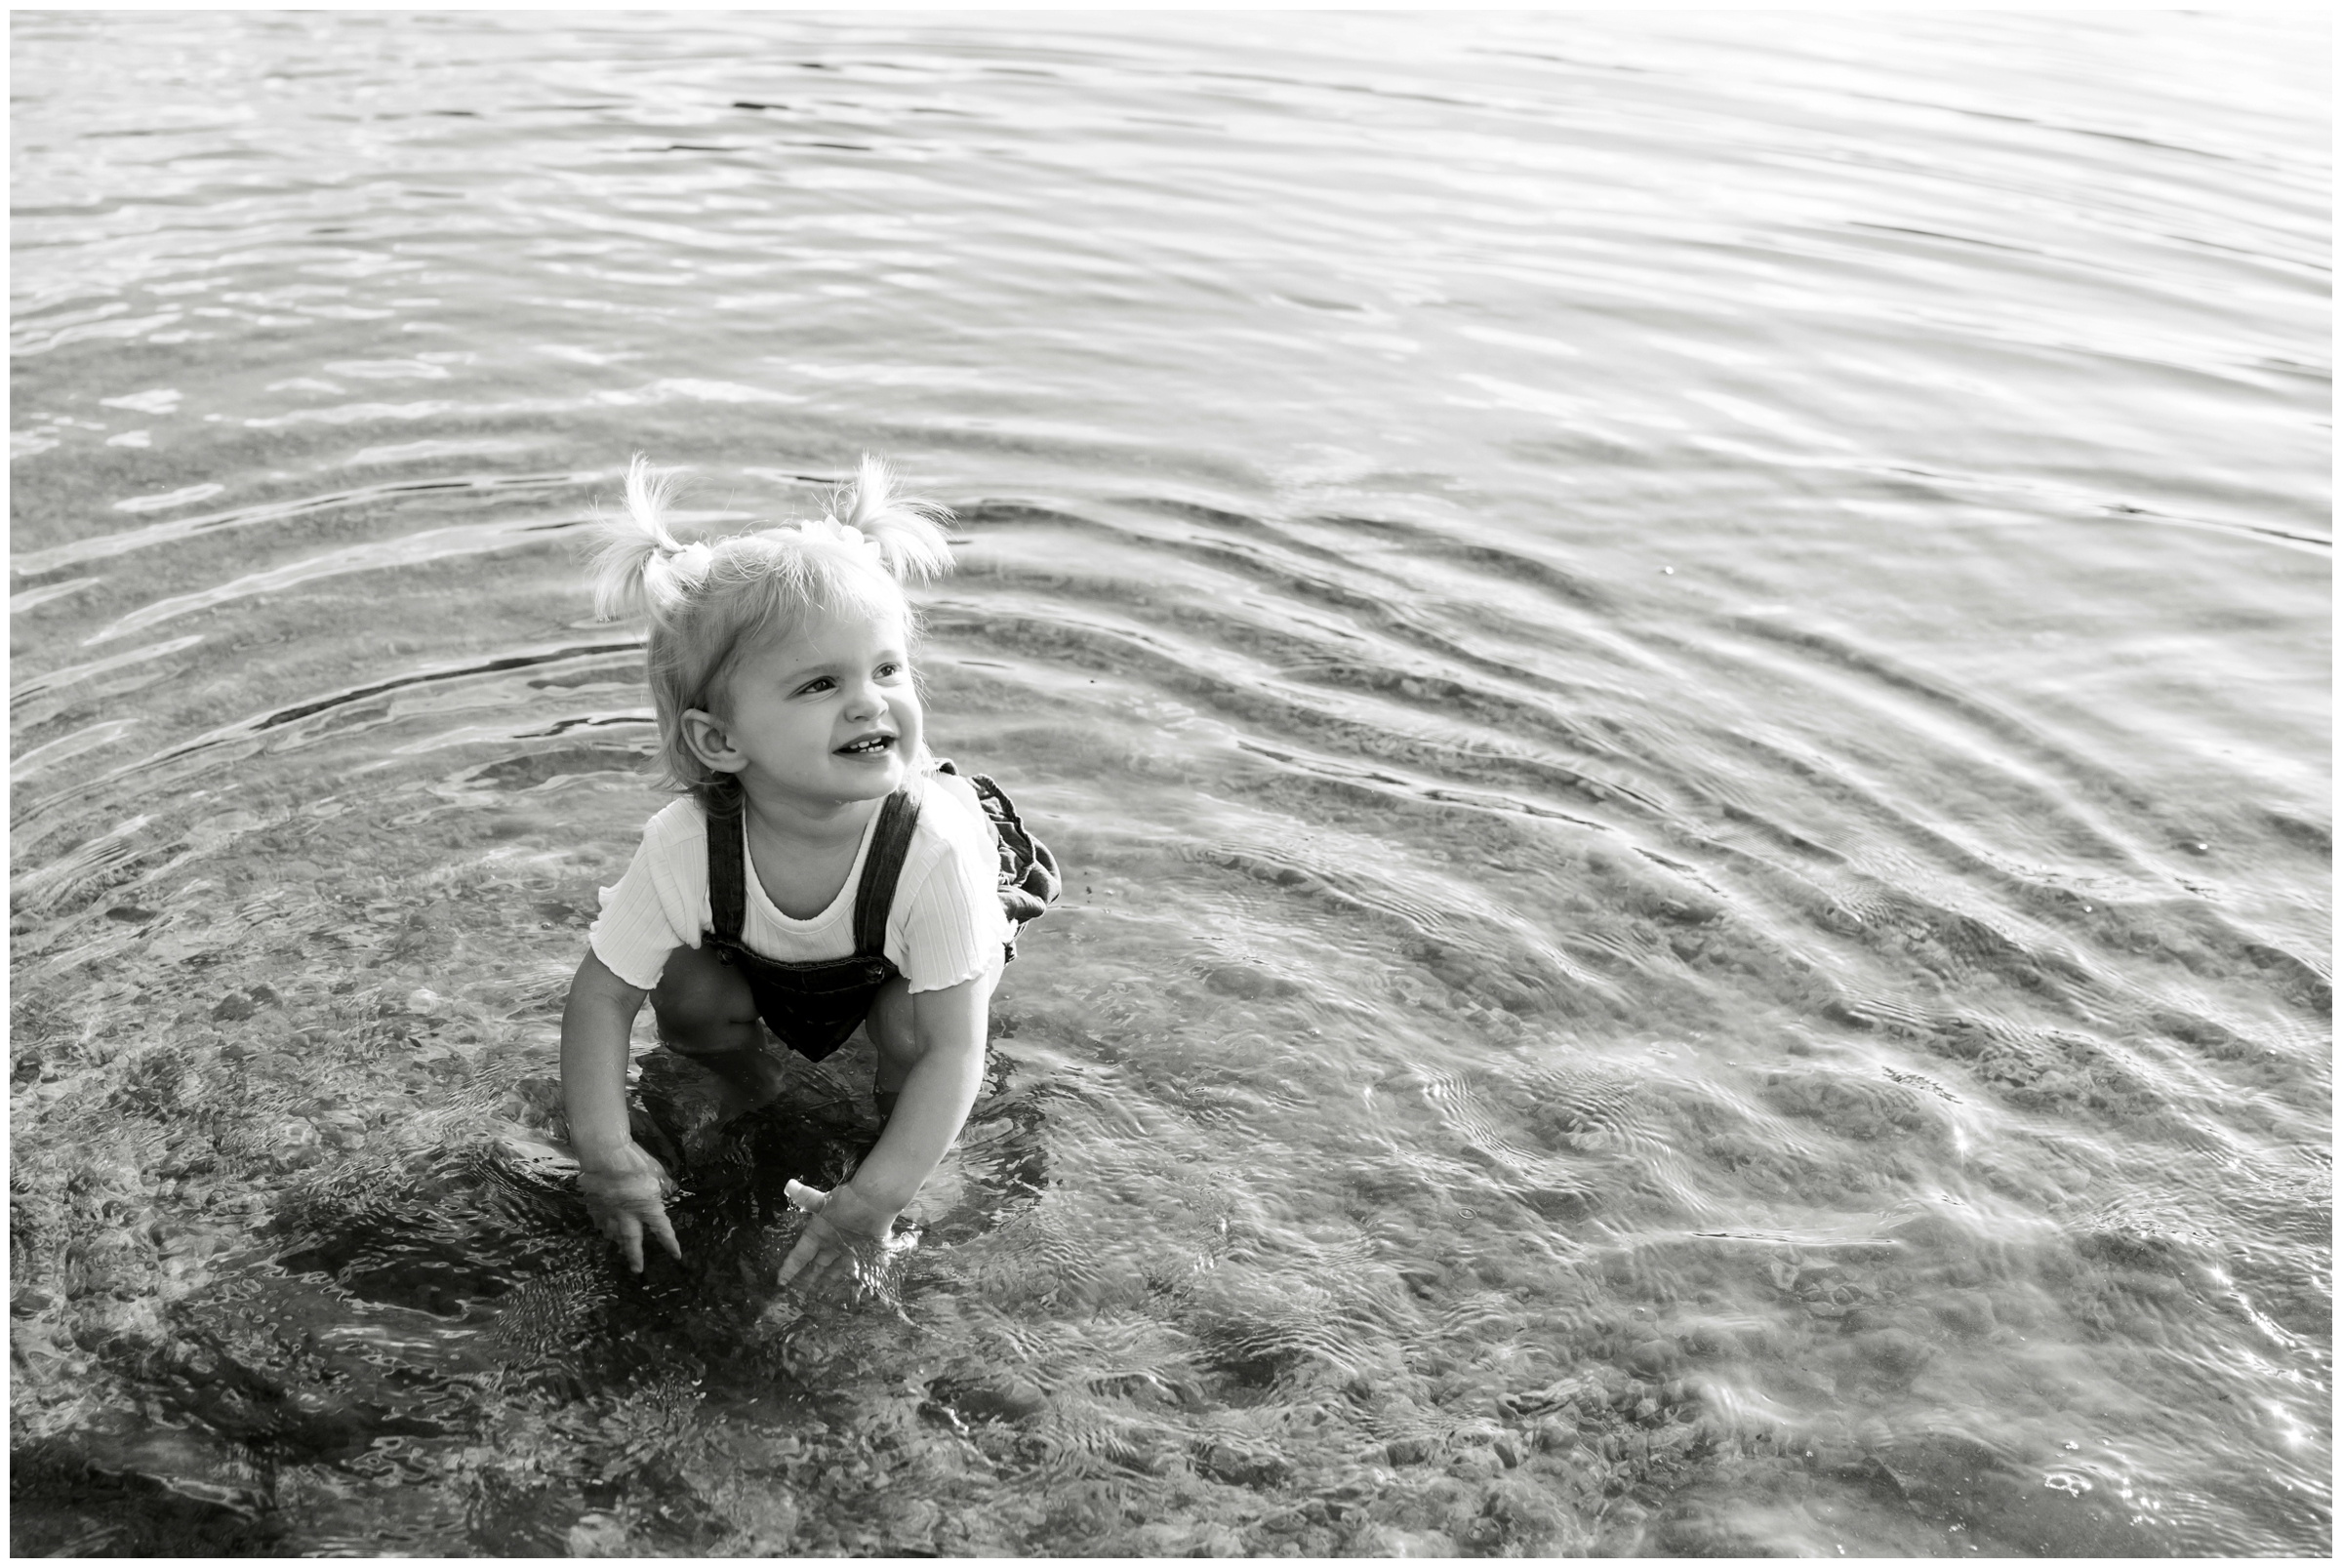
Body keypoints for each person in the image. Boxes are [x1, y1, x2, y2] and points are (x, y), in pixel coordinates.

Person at [559, 455, 1056, 1295]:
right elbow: (602, 996)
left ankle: (887, 1141)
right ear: (721, 741)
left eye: (888, 669)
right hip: (770, 948)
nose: (871, 703)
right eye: (822, 683)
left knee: (908, 1027)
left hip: (902, 948)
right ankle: (743, 1094)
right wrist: (607, 1153)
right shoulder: (686, 844)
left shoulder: (933, 851)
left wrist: (874, 1199)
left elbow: (953, 1048)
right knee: (687, 982)